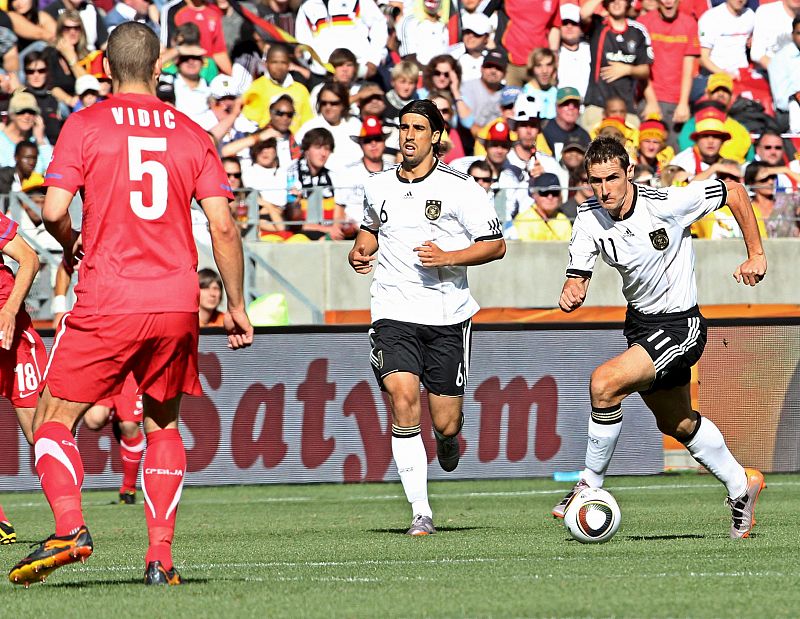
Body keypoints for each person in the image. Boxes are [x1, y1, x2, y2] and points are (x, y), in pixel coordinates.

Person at [8, 22, 253, 588]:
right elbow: (222, 224)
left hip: (109, 294)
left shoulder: (86, 124)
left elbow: (51, 210)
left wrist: (72, 238)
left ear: (104, 67)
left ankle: (70, 525)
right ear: (160, 64)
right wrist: (236, 305)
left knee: (52, 420)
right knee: (164, 423)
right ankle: (160, 558)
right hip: (176, 299)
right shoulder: (193, 133)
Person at [553, 136, 767, 539]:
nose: (604, 190)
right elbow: (577, 276)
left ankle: (589, 485)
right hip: (640, 325)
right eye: (595, 181)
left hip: (680, 325)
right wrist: (572, 289)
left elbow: (735, 190)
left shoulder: (667, 203)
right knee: (680, 424)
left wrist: (755, 253)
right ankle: (742, 486)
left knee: (605, 383)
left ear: (629, 172)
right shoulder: (588, 218)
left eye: (612, 178)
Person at [347, 99, 505, 535]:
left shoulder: (462, 188)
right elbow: (370, 231)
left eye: (418, 128)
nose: (408, 135)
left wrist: (449, 256)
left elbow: (495, 245)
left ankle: (449, 441)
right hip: (393, 310)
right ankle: (421, 511)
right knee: (402, 400)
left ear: (436, 136)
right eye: (403, 127)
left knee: (444, 422)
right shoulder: (377, 185)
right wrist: (361, 250)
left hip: (446, 315)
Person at [0, 206, 47, 546]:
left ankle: (70, 524)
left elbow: (29, 258)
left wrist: (10, 310)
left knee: (39, 432)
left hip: (12, 335)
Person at [81, 374, 145, 504]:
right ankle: (116, 413)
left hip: (129, 371)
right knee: (93, 420)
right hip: (103, 368)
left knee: (129, 425)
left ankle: (128, 489)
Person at [511, 172, 572, 241]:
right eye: (544, 193)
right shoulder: (524, 220)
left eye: (555, 192)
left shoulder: (563, 220)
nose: (550, 197)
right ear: (534, 195)